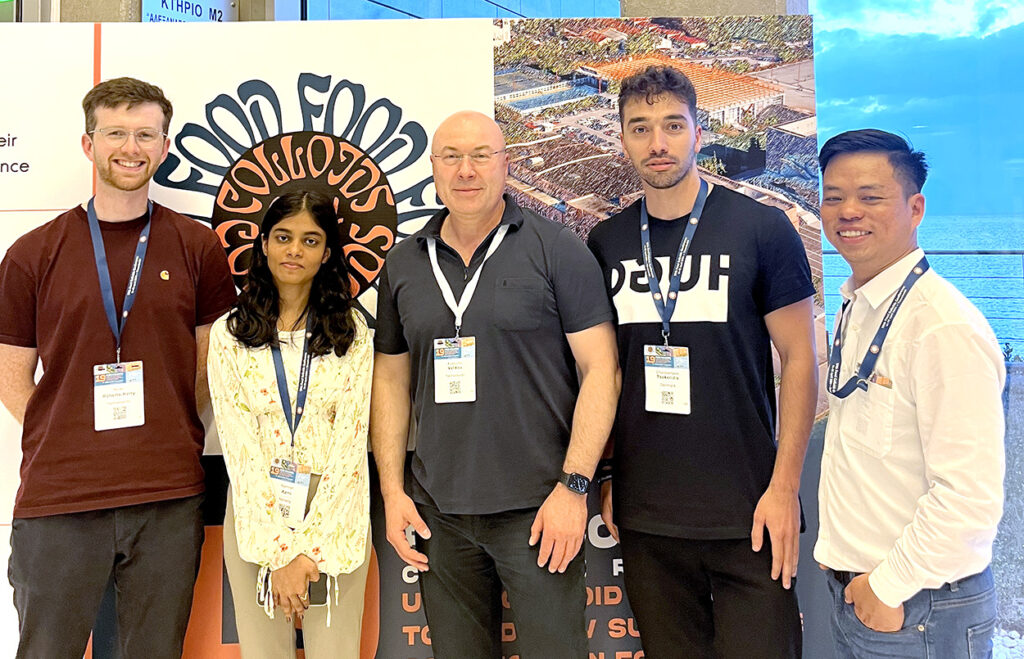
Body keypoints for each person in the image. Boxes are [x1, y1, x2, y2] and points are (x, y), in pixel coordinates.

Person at [0, 77, 237, 658]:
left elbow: (208, 363)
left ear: (163, 146)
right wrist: (65, 434)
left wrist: (167, 419)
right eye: (115, 133)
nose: (129, 148)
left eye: (144, 135)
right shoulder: (34, 253)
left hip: (168, 494)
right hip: (60, 497)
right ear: (89, 144)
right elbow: (10, 374)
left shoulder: (197, 247)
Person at [587, 65, 818, 658]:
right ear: (622, 138)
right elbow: (603, 375)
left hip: (749, 510)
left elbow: (799, 359)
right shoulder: (605, 242)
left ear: (698, 130)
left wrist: (785, 487)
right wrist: (609, 478)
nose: (656, 143)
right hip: (647, 519)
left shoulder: (762, 229)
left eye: (671, 125)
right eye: (639, 128)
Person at [370, 110, 620, 658]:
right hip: (440, 512)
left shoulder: (558, 250)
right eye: (451, 157)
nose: (466, 171)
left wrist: (575, 486)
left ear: (506, 164)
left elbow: (602, 370)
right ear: (433, 169)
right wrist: (393, 491)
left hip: (539, 509)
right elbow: (390, 377)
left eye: (481, 155)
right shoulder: (404, 263)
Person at [814, 129, 1004, 658]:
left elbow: (968, 499)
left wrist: (886, 588)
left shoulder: (941, 326)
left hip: (919, 607)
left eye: (871, 197)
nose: (848, 211)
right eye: (834, 197)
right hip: (869, 596)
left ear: (915, 207)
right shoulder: (860, 304)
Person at [208, 190, 372, 658]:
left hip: (336, 511)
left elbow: (351, 445)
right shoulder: (230, 335)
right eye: (283, 237)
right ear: (263, 245)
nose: (294, 250)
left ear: (326, 253)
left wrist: (308, 552)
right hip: (256, 513)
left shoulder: (353, 334)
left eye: (310, 240)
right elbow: (238, 450)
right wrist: (279, 553)